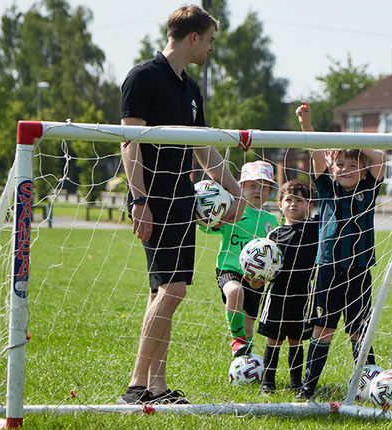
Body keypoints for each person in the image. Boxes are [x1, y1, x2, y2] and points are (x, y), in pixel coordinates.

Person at [118, 5, 246, 405]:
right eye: (209, 40)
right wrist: (139, 199)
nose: (211, 48)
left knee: (162, 291)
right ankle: (136, 387)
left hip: (182, 198)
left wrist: (236, 189)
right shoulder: (142, 78)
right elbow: (129, 143)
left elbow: (202, 146)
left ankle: (157, 388)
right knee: (172, 291)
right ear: (193, 37)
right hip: (153, 199)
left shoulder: (190, 89)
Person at [294, 101, 385, 400]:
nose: (343, 170)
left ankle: (369, 386)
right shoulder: (326, 188)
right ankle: (308, 388)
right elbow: (316, 153)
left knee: (360, 331)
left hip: (359, 268)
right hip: (328, 268)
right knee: (323, 329)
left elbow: (381, 157)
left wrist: (351, 143)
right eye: (339, 165)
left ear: (363, 170)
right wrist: (307, 124)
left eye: (351, 165)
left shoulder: (368, 189)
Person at [203, 161, 279, 358]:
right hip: (229, 269)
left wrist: (267, 276)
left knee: (249, 326)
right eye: (253, 185)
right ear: (241, 187)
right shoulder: (233, 210)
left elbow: (275, 254)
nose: (258, 190)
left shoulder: (271, 221)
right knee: (235, 292)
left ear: (271, 190)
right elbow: (207, 226)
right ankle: (236, 339)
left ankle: (244, 361)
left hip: (257, 277)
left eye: (264, 186)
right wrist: (207, 217)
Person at [257, 179, 319, 394]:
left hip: (303, 294)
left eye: (299, 200)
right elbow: (263, 265)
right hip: (277, 293)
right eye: (288, 199)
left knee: (296, 340)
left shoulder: (314, 229)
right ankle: (268, 382)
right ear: (280, 204)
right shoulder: (273, 235)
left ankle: (295, 382)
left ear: (309, 205)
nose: (293, 204)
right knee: (273, 339)